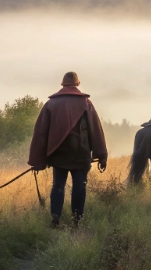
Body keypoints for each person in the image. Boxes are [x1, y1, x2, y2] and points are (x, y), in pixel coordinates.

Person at [28, 72, 108, 228]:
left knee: (58, 186)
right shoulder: (86, 103)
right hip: (81, 153)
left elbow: (41, 133)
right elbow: (95, 130)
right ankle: (76, 220)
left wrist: (37, 159)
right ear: (77, 83)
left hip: (59, 155)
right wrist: (101, 154)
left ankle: (55, 218)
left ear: (63, 84)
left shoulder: (51, 104)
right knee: (80, 186)